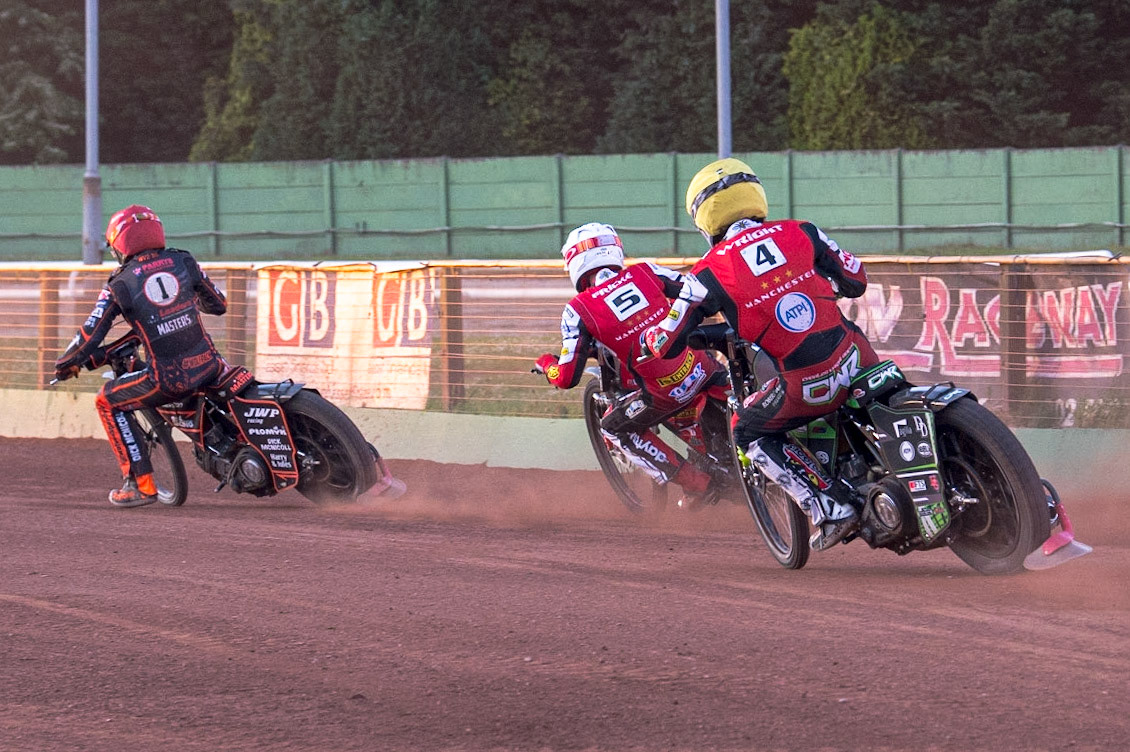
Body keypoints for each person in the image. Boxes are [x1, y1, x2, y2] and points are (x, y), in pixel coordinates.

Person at [639, 158, 880, 550]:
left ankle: (831, 508)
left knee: (746, 430)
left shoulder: (707, 272)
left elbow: (666, 340)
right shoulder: (802, 230)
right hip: (858, 356)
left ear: (705, 219)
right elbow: (855, 280)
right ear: (756, 196)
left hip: (805, 384)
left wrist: (652, 339)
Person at [533, 222, 729, 509]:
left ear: (575, 263)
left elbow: (565, 377)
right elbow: (698, 292)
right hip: (704, 368)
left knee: (614, 428)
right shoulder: (646, 271)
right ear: (615, 250)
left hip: (663, 393)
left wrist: (546, 363)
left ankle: (699, 485)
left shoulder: (578, 309)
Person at [53, 205, 230, 507]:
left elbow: (90, 335)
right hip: (211, 365)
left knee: (106, 401)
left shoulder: (120, 284)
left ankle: (140, 485)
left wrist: (65, 364)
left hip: (169, 380)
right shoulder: (182, 260)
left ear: (121, 243)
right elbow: (218, 305)